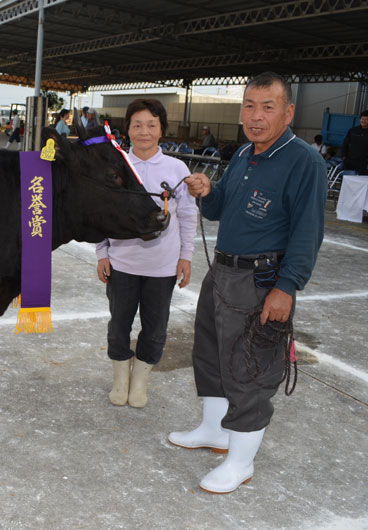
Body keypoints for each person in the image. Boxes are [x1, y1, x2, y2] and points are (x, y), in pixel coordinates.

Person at [170, 72, 327, 494]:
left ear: (288, 112)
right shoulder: (244, 153)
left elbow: (308, 231)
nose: (256, 116)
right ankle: (213, 430)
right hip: (222, 271)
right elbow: (221, 208)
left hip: (261, 280)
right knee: (210, 353)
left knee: (249, 367)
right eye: (249, 106)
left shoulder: (304, 161)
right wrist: (207, 190)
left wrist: (286, 287)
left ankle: (240, 462)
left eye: (267, 107)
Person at [96, 98, 197, 409]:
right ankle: (120, 380)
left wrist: (186, 256)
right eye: (137, 125)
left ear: (162, 130)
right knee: (118, 326)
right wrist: (102, 253)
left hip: (163, 267)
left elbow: (189, 214)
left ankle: (139, 381)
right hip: (122, 263)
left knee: (155, 329)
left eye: (151, 125)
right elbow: (100, 212)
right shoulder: (116, 167)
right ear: (127, 129)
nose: (144, 131)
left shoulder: (176, 168)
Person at [340, 110, 368, 174]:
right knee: (346, 180)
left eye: (366, 119)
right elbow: (345, 144)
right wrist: (344, 156)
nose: (363, 121)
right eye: (362, 119)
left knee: (360, 181)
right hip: (349, 160)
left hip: (363, 163)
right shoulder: (353, 130)